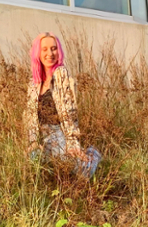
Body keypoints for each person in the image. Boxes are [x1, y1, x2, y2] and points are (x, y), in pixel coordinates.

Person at [23, 32, 101, 178]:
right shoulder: (33, 83)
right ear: (37, 53)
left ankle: (93, 155)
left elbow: (69, 111)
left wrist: (72, 144)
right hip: (41, 136)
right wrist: (33, 142)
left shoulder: (61, 74)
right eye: (44, 49)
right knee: (33, 162)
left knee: (75, 169)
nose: (50, 53)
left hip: (58, 134)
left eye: (54, 48)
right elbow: (30, 115)